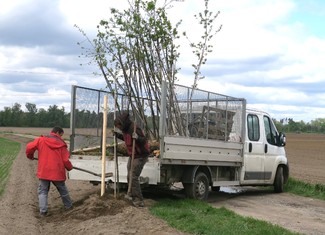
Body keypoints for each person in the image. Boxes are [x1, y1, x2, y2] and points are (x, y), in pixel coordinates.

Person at [26, 126, 73, 217]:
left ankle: (43, 211)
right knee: (63, 190)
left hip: (44, 171)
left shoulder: (41, 140)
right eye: (61, 135)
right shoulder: (62, 145)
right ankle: (69, 206)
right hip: (57, 172)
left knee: (43, 191)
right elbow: (66, 160)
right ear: (58, 133)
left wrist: (30, 156)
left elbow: (29, 147)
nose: (61, 137)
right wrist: (70, 168)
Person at [113, 112, 150, 207]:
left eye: (119, 126)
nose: (119, 128)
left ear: (123, 123)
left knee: (133, 176)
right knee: (129, 175)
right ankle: (131, 194)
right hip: (133, 155)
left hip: (140, 155)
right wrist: (117, 135)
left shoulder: (134, 128)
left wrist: (137, 138)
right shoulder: (125, 129)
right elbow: (127, 139)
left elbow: (144, 140)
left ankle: (139, 200)